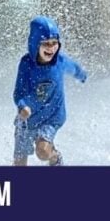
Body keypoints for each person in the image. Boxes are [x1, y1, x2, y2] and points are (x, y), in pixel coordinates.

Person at [13, 15, 86, 167]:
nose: (51, 48)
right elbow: (19, 91)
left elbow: (74, 68)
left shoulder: (60, 61)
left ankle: (55, 158)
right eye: (46, 44)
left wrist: (81, 75)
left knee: (43, 152)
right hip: (27, 118)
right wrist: (22, 106)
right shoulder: (26, 64)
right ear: (35, 44)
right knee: (19, 163)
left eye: (54, 43)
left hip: (52, 116)